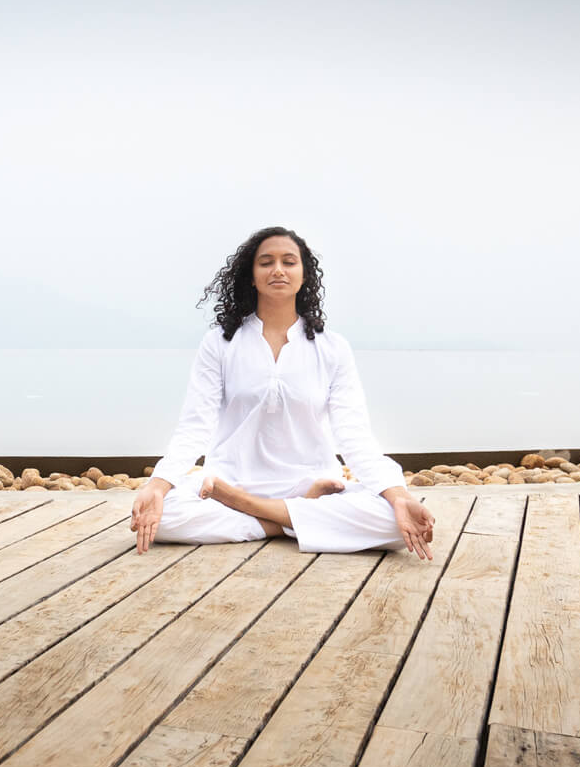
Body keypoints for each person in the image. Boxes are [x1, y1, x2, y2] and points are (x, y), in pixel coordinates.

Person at [130, 227, 435, 560]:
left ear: (304, 276)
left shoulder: (331, 348)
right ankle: (292, 519)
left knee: (394, 521)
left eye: (289, 262)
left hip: (311, 483)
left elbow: (354, 436)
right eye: (266, 262)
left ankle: (257, 512)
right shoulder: (220, 343)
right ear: (251, 276)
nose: (278, 269)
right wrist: (158, 486)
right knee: (163, 518)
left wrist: (398, 497)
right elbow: (195, 426)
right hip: (232, 480)